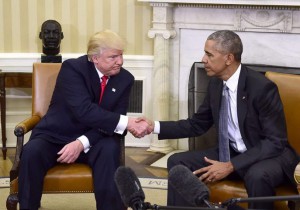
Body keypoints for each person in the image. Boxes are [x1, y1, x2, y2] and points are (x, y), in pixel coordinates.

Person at [135, 30, 299, 209]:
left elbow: (275, 142)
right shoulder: (215, 83)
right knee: (177, 162)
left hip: (268, 156)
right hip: (232, 153)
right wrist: (154, 127)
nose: (203, 59)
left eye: (209, 54)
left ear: (229, 58)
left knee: (257, 175)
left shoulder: (262, 88)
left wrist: (230, 165)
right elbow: (197, 124)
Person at [18, 30, 149, 210]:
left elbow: (114, 124)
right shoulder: (73, 69)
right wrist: (127, 122)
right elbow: (84, 111)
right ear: (95, 58)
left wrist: (82, 142)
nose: (120, 61)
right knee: (31, 152)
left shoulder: (125, 79)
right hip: (56, 134)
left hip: (95, 139)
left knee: (110, 148)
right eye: (113, 57)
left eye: (121, 55)